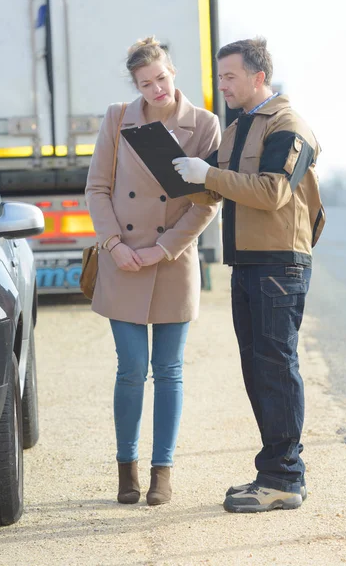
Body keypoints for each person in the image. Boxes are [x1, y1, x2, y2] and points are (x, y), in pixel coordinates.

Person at [173, 37, 325, 513]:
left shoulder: (287, 125)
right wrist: (177, 176)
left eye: (230, 76)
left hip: (280, 265)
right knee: (258, 370)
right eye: (220, 77)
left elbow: (273, 192)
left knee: (276, 370)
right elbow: (218, 191)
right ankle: (274, 473)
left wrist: (208, 175)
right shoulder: (239, 130)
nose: (223, 86)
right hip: (249, 265)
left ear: (260, 77)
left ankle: (284, 478)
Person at [85, 36, 220, 506]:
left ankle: (163, 471)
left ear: (172, 72)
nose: (156, 89)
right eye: (146, 83)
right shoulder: (118, 118)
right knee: (131, 368)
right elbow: (98, 187)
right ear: (136, 85)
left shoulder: (204, 125)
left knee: (169, 370)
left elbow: (207, 203)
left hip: (172, 261)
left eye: (161, 78)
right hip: (122, 260)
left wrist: (162, 249)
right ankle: (127, 469)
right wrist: (114, 244)